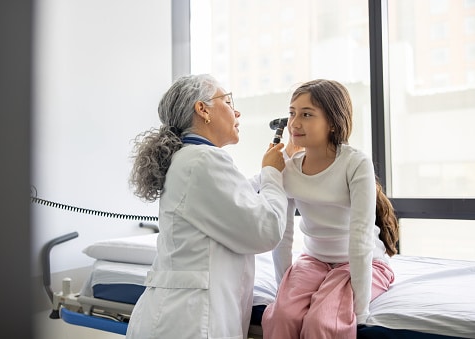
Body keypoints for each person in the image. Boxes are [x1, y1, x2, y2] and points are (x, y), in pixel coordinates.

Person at [125, 74, 288, 339]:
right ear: (202, 109)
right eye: (227, 101)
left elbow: (231, 199)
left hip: (173, 318)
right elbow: (266, 230)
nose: (236, 111)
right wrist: (272, 176)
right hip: (188, 324)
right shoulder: (203, 161)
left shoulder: (189, 160)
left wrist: (267, 173)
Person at [261, 79, 399, 339]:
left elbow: (359, 238)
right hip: (314, 261)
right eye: (292, 113)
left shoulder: (355, 163)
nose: (294, 123)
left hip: (362, 262)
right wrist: (285, 290)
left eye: (306, 114)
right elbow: (283, 234)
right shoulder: (288, 167)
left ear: (333, 122)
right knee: (281, 317)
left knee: (322, 322)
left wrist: (359, 312)